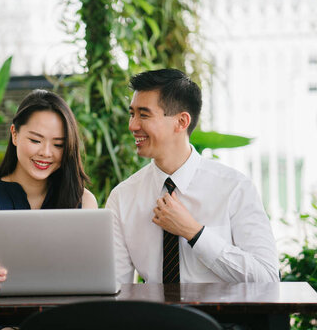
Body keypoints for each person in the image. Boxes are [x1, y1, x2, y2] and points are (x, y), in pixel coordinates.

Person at [105, 69, 279, 285]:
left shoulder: (235, 188)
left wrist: (194, 233)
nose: (132, 126)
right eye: (132, 114)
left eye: (144, 114)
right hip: (153, 317)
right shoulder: (123, 197)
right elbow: (117, 288)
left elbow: (268, 278)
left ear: (181, 122)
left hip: (223, 318)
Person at [0, 89, 97, 295]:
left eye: (58, 144)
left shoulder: (84, 200)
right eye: (35, 140)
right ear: (14, 135)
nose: (45, 152)